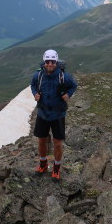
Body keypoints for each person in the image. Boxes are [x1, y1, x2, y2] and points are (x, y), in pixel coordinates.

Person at [30, 49, 78, 180]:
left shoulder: (64, 76)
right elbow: (33, 85)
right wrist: (35, 94)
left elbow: (73, 85)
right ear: (44, 62)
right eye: (47, 61)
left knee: (57, 143)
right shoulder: (38, 76)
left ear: (56, 62)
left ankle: (56, 169)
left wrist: (68, 94)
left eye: (52, 61)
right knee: (41, 140)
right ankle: (43, 163)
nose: (50, 64)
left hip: (58, 114)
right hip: (43, 113)